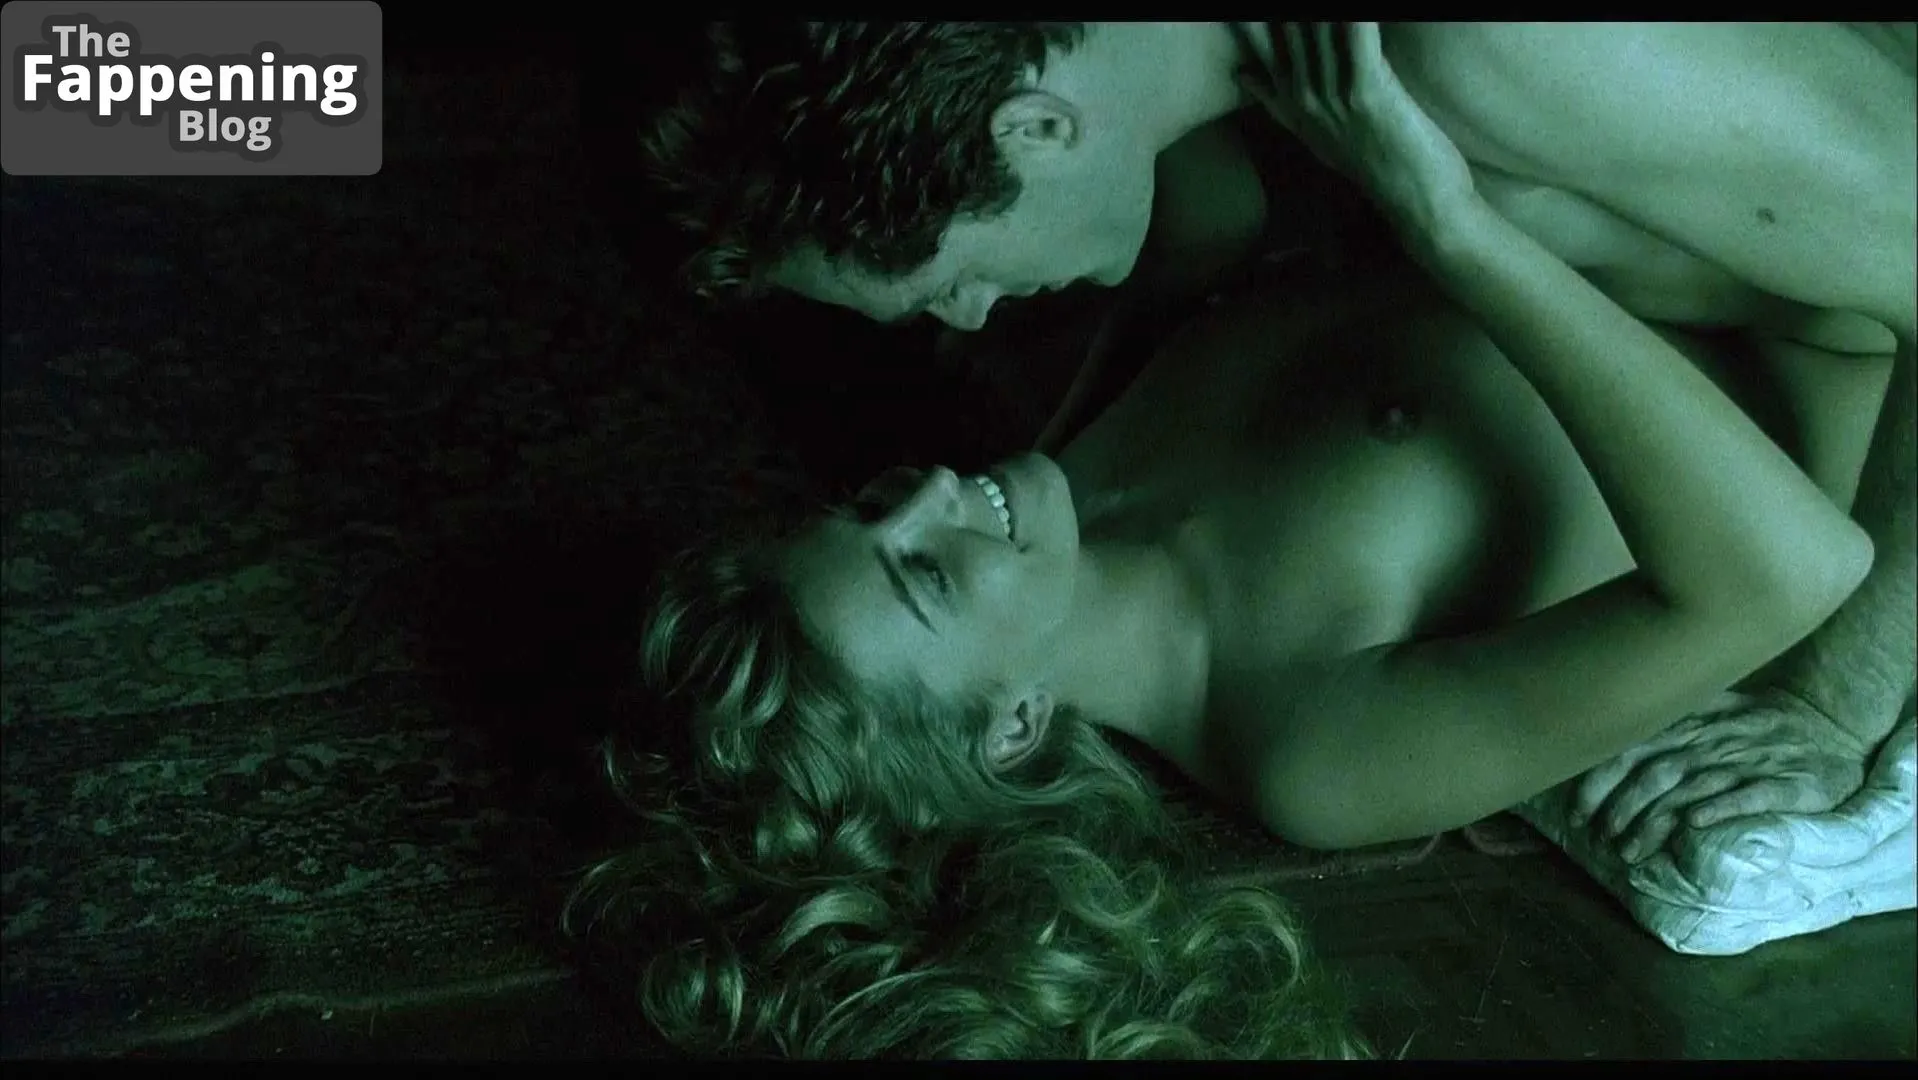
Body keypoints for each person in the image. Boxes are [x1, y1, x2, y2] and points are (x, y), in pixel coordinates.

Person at [565, 32, 1877, 1059]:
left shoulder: (1076, 448)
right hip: (1851, 351)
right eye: (921, 571)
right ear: (1010, 724)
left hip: (1767, 218)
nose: (927, 494)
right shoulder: (1306, 745)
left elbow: (1186, 172)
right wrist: (1445, 223)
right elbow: (1789, 573)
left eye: (865, 510)